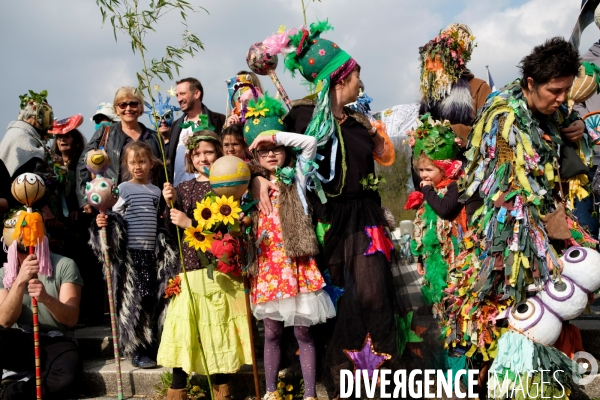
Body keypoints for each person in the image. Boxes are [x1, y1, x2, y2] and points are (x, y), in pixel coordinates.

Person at [256, 21, 409, 397]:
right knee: (331, 300)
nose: (361, 83)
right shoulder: (302, 118)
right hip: (321, 220)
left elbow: (385, 158)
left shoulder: (359, 122)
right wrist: (259, 179)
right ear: (340, 78)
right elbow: (268, 155)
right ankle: (336, 377)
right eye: (357, 76)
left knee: (373, 295)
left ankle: (376, 379)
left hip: (364, 220)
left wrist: (376, 134)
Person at [457, 37, 594, 395]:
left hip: (547, 225)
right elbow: (511, 191)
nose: (562, 98)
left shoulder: (551, 109)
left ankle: (553, 381)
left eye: (566, 90)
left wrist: (577, 129)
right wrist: (545, 234)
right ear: (530, 83)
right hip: (514, 236)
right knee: (523, 310)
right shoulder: (503, 116)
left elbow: (569, 126)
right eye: (555, 91)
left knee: (555, 309)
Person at [244, 94, 335, 400]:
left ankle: (310, 394)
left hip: (297, 265)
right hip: (269, 267)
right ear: (255, 157)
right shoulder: (249, 185)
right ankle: (270, 392)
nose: (271, 153)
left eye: (276, 149)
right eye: (264, 150)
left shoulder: (297, 176)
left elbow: (309, 143)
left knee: (303, 332)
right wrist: (255, 177)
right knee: (271, 332)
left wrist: (272, 134)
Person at [157, 130, 251, 400]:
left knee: (216, 328)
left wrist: (191, 224)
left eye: (208, 152)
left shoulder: (225, 186)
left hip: (216, 267)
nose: (202, 158)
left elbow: (226, 225)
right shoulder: (183, 187)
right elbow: (171, 229)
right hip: (188, 267)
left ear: (219, 154)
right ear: (190, 157)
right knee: (184, 325)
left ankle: (221, 388)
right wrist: (169, 203)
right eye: (197, 154)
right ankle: (177, 387)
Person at [93, 141, 173, 368]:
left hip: (151, 254)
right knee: (134, 301)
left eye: (142, 162)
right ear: (126, 165)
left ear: (151, 163)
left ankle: (151, 344)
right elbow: (115, 217)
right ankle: (136, 349)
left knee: (150, 299)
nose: (138, 167)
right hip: (131, 254)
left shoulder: (156, 190)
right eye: (132, 163)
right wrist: (104, 222)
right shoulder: (123, 189)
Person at [0, 212, 83, 400]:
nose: (28, 254)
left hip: (55, 340)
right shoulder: (3, 273)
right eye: (20, 250)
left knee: (68, 377)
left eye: (33, 247)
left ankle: (17, 391)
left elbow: (71, 319)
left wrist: (46, 297)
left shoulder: (65, 265)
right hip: (20, 340)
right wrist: (19, 282)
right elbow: (4, 321)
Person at [415, 24, 492, 219]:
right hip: (433, 185)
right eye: (428, 62)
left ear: (454, 60)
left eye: (436, 61)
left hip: (469, 181)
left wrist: (450, 131)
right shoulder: (429, 95)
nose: (430, 67)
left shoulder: (479, 88)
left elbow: (488, 133)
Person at [76, 86, 164, 214]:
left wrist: (163, 205)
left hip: (147, 206)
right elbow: (84, 164)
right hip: (113, 204)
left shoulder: (154, 137)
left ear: (140, 108)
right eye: (123, 105)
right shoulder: (105, 133)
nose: (128, 108)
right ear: (116, 110)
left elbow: (163, 172)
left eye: (133, 104)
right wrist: (84, 199)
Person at [0, 90, 56, 215]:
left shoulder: (15, 133)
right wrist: (43, 206)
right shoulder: (23, 137)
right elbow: (29, 180)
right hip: (20, 208)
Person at [167, 77, 226, 187]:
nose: (179, 99)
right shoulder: (176, 125)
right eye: (177, 95)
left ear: (197, 94)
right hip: (179, 191)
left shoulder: (219, 120)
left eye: (182, 94)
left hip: (210, 190)